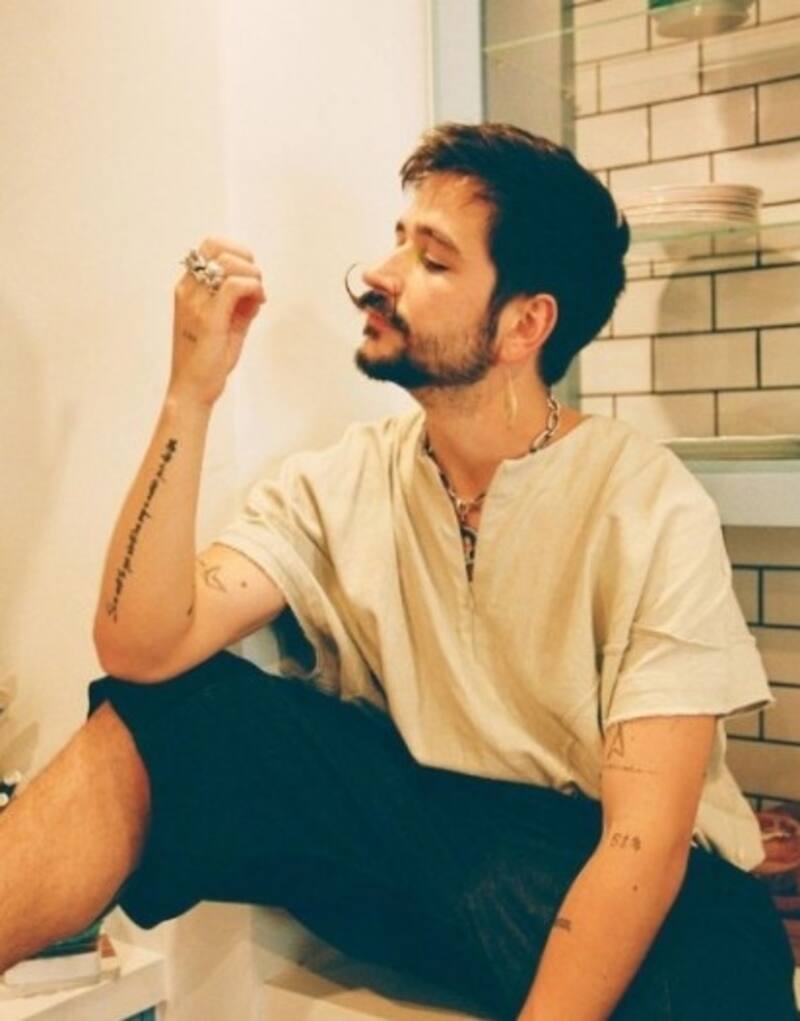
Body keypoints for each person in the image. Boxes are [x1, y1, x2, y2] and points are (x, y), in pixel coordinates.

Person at [0, 123, 796, 1021]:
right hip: (433, 848)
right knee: (178, 711)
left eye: (433, 259)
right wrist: (193, 391)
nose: (381, 273)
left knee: (707, 982)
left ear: (526, 324)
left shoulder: (647, 503)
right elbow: (143, 646)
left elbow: (641, 843)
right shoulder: (345, 479)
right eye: (398, 240)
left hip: (627, 879)